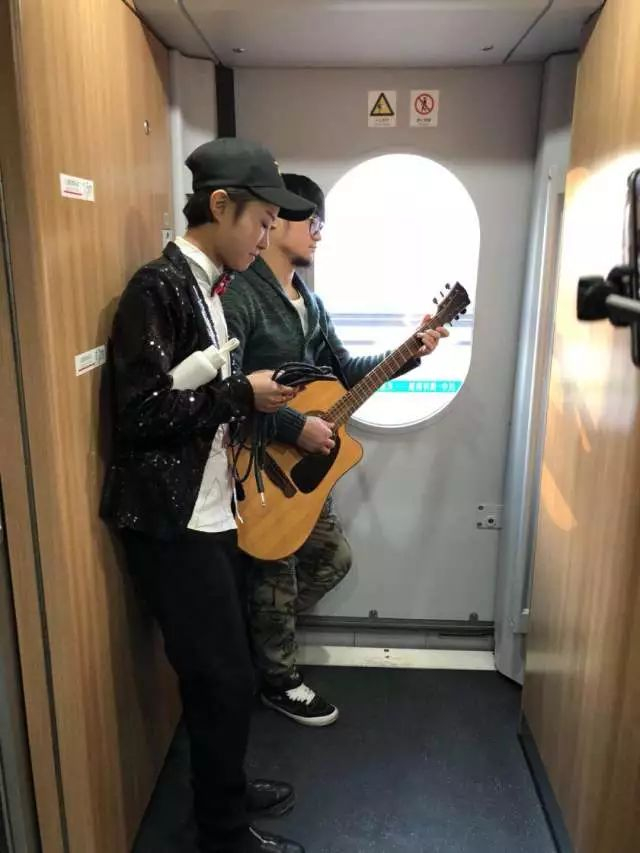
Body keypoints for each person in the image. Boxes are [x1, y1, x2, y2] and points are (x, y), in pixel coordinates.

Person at [100, 139, 315, 853]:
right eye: (260, 221)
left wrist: (251, 396)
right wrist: (239, 393)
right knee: (221, 676)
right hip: (174, 518)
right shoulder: (156, 288)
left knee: (231, 669)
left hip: (213, 507)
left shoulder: (212, 287)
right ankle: (221, 831)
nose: (266, 235)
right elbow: (139, 412)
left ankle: (226, 786)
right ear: (220, 206)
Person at [222, 173, 448, 728]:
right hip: (258, 461)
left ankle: (255, 642)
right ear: (277, 220)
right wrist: (294, 426)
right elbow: (227, 386)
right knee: (275, 570)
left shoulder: (310, 302)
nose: (319, 233)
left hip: (303, 472)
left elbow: (345, 373)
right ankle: (278, 680)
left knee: (330, 561)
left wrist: (410, 352)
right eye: (313, 221)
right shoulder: (242, 295)